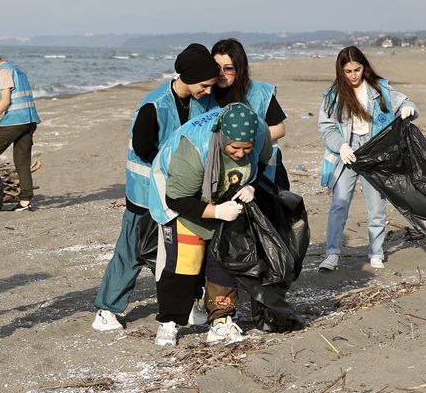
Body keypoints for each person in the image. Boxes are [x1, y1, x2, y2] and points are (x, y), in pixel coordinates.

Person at [91, 44, 219, 332]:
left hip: (184, 194)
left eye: (212, 86)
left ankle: (186, 306)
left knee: (186, 252)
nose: (208, 91)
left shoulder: (207, 103)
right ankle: (106, 310)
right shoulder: (153, 105)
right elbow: (143, 148)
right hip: (145, 194)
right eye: (204, 85)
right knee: (131, 253)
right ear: (187, 77)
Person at [147, 102, 271, 347]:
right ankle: (170, 322)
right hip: (183, 205)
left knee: (223, 263)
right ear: (223, 137)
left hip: (225, 201)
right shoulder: (194, 149)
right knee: (184, 265)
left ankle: (221, 321)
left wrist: (252, 187)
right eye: (235, 148)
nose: (240, 154)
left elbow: (265, 163)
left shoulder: (259, 133)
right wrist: (215, 211)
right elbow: (177, 198)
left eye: (247, 149)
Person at [317, 46, 417, 271]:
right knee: (338, 205)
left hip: (375, 153)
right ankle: (332, 253)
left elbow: (407, 103)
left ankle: (376, 252)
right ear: (340, 71)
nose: (353, 75)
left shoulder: (379, 89)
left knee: (376, 206)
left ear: (364, 67)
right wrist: (340, 145)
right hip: (347, 153)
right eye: (348, 71)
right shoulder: (332, 95)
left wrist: (408, 110)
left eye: (357, 69)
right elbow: (326, 127)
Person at [210, 39, 289, 187]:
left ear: (240, 68)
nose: (221, 73)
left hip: (261, 166)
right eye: (217, 67)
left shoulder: (261, 92)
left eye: (228, 68)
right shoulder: (205, 93)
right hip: (219, 166)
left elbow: (280, 128)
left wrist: (245, 142)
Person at [0, 45, 40, 211]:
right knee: (22, 161)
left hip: (15, 121)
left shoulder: (3, 72)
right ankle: (25, 201)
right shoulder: (16, 71)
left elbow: (5, 101)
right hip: (29, 120)